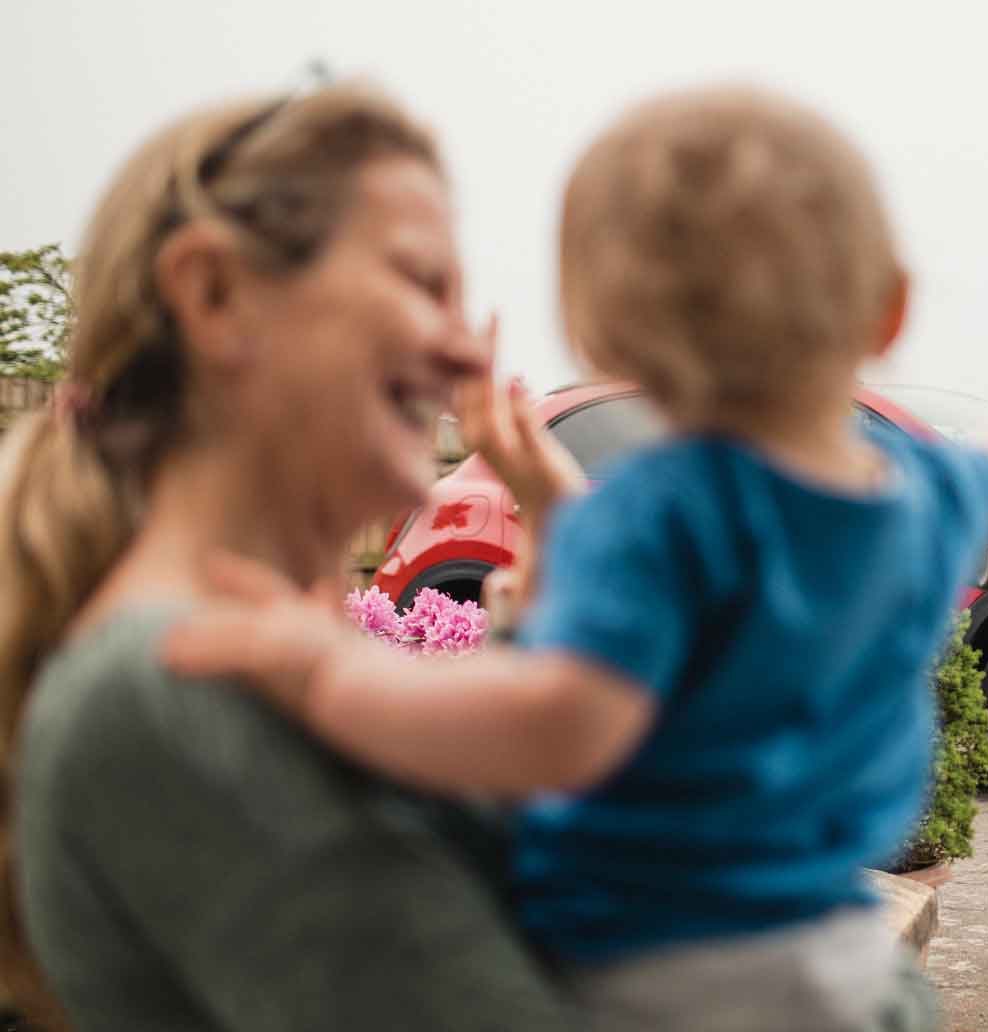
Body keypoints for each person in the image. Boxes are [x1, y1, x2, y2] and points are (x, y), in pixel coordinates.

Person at [164, 84, 988, 1032]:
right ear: (890, 311)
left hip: (643, 960)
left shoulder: (651, 517)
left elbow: (559, 724)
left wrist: (321, 672)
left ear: (598, 335)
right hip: (832, 955)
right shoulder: (916, 499)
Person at [0, 85, 579, 1030]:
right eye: (424, 282)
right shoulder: (162, 692)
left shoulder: (242, 670)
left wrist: (565, 558)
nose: (466, 352)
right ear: (215, 294)